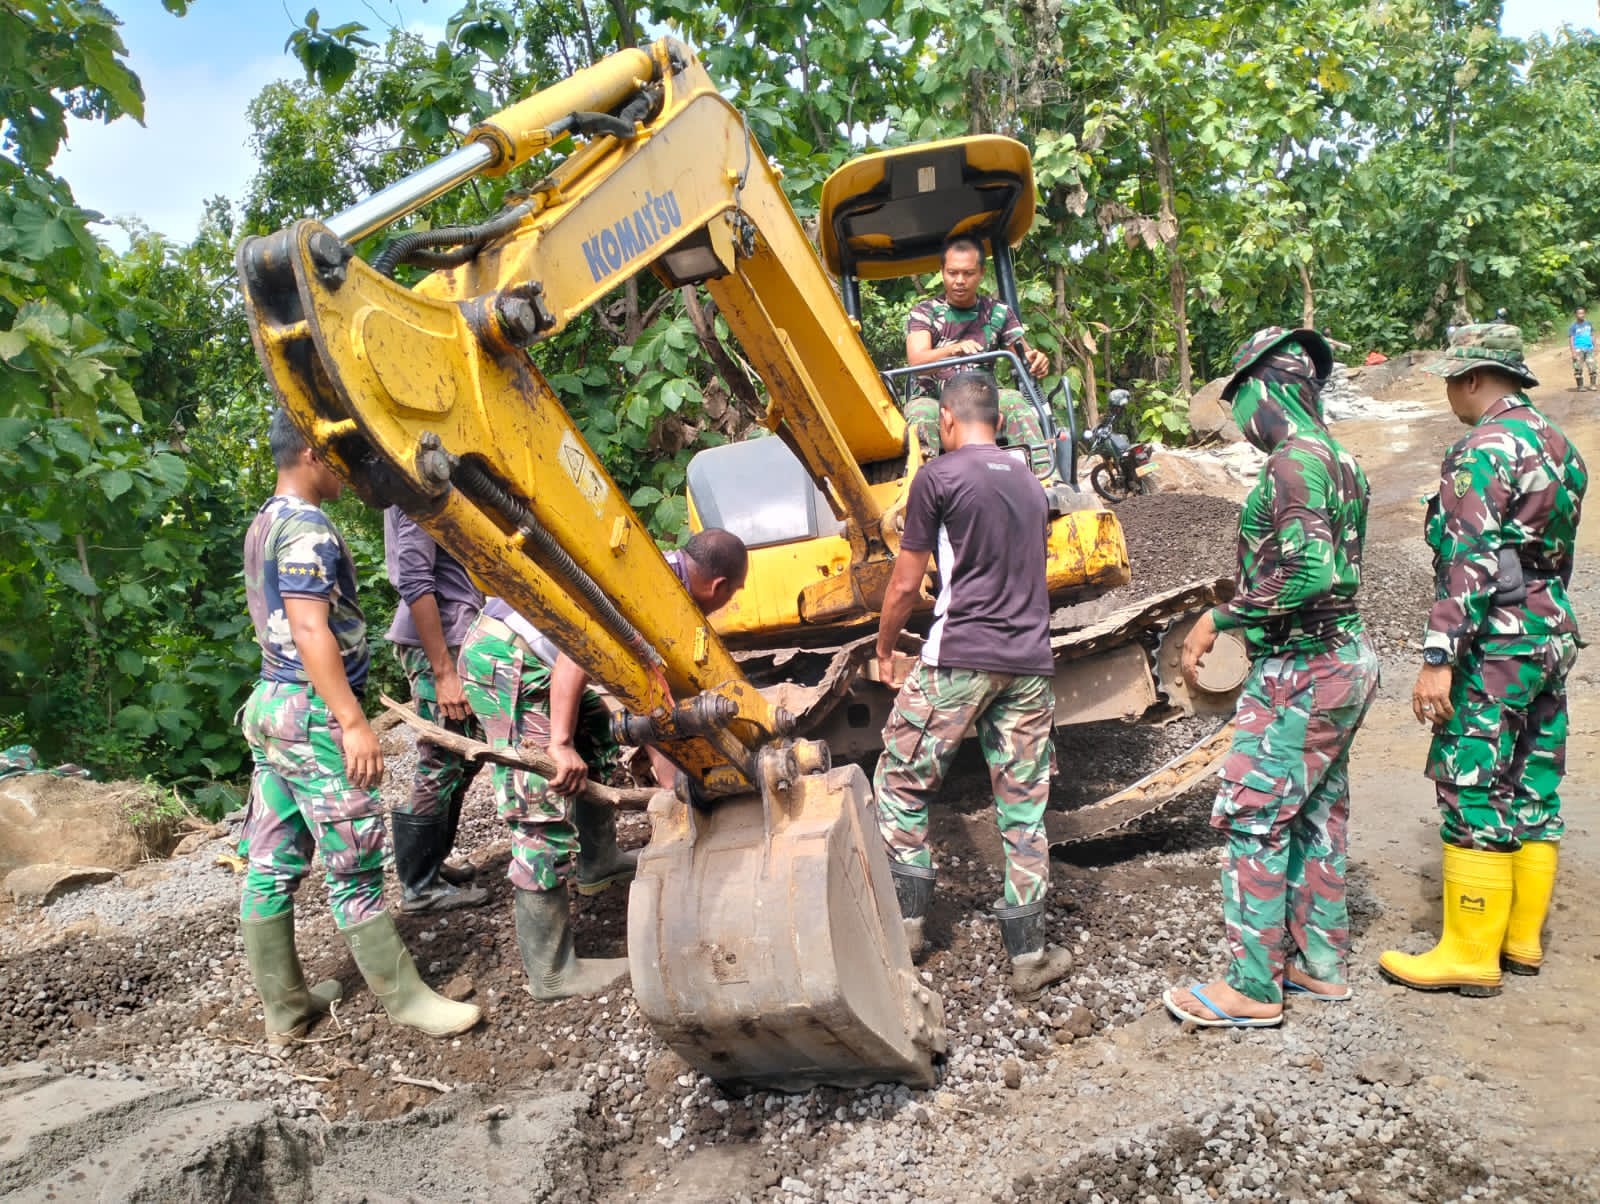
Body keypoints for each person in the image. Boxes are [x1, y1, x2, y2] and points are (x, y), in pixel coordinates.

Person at [237, 409, 480, 1043]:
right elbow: (310, 626)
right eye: (339, 456)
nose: (350, 470)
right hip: (313, 712)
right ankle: (406, 1001)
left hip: (271, 704)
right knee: (354, 861)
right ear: (313, 454)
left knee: (272, 858)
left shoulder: (267, 520)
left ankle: (286, 1006)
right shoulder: (310, 529)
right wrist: (351, 721)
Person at [1161, 327, 1380, 1029]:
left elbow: (1314, 572)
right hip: (1344, 658)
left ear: (1266, 388)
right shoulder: (1345, 460)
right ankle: (1319, 967)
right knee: (1316, 814)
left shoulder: (1292, 463)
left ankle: (1252, 988)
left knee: (1255, 815)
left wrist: (1220, 618)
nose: (1240, 416)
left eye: (1240, 397)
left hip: (1302, 669)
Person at [1380, 324, 1586, 997]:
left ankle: (1469, 954)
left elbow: (1470, 560)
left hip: (1495, 640)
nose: (1447, 393)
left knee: (1473, 784)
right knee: (1533, 783)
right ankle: (1520, 941)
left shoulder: (1481, 450)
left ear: (1473, 379)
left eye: (1449, 380)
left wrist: (1439, 656)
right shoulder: (1562, 446)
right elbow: (1554, 556)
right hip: (1547, 631)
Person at [459, 528, 749, 1000]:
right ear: (718, 587)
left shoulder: (663, 579)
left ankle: (598, 863)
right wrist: (557, 743)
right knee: (543, 801)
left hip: (531, 653)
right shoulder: (646, 594)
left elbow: (653, 706)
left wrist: (678, 797)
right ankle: (551, 973)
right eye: (732, 594)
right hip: (508, 659)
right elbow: (575, 657)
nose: (729, 602)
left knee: (596, 733)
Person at [874, 371, 1071, 997]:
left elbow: (907, 584)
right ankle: (1029, 956)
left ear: (949, 422)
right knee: (1023, 806)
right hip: (1029, 664)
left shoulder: (939, 476)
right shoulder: (1034, 486)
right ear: (1001, 420)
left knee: (900, 780)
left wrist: (885, 649)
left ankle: (904, 933)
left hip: (961, 655)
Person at [384, 507, 489, 912]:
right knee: (441, 759)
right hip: (439, 645)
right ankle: (419, 884)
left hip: (458, 634)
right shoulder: (410, 491)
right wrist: (444, 671)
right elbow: (413, 578)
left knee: (466, 757)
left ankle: (432, 861)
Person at [903, 237, 1050, 455]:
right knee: (920, 413)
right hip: (935, 401)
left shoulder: (998, 312)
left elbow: (1023, 357)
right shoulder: (924, 312)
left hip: (983, 398)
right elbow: (917, 360)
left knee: (1014, 400)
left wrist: (1036, 361)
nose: (960, 280)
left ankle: (1046, 480)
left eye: (968, 273)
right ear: (942, 271)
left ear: (981, 272)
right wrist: (954, 349)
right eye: (952, 273)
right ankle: (923, 484)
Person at [1569, 307, 1596, 391]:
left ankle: (1592, 385)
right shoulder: (1573, 326)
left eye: (1582, 313)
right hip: (1578, 349)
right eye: (1579, 313)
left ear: (1584, 314)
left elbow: (1592, 334)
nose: (1581, 315)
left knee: (1592, 367)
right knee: (1578, 368)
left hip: (1589, 348)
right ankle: (1580, 386)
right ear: (1576, 315)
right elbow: (1571, 339)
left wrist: (1595, 345)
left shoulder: (1589, 324)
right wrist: (1573, 351)